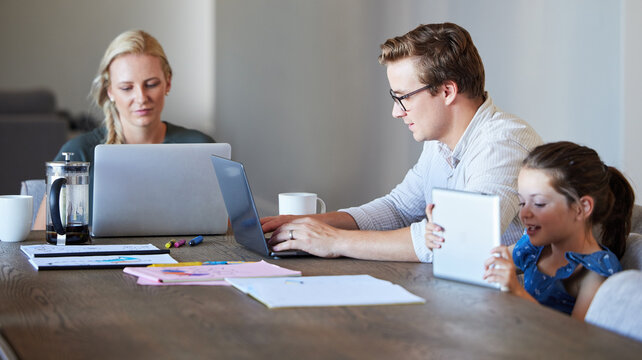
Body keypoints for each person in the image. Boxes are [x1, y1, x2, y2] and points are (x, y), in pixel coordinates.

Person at [260, 22, 542, 261]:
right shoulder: (440, 142)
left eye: (403, 97)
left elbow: (457, 240)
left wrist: (335, 242)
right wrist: (313, 224)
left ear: (447, 91)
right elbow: (399, 208)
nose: (397, 112)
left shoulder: (502, 143)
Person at [427, 141, 634, 320]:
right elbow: (483, 262)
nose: (524, 214)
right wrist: (443, 236)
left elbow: (577, 341)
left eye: (540, 203)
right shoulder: (535, 247)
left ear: (582, 208)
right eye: (522, 203)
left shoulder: (595, 272)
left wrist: (516, 291)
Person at [34, 30, 214, 229]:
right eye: (127, 88)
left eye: (151, 84)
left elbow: (227, 230)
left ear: (168, 83)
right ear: (110, 91)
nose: (141, 97)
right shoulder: (79, 153)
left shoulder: (201, 147)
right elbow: (39, 237)